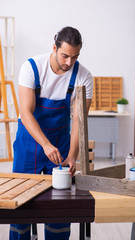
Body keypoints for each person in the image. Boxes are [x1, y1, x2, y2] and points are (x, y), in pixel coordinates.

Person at [10, 26, 93, 240]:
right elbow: (26, 113)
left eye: (74, 57)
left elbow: (79, 121)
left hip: (61, 143)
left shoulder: (84, 77)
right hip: (29, 143)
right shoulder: (32, 68)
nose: (68, 62)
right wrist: (45, 145)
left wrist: (72, 155)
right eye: (65, 55)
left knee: (60, 207)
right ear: (54, 47)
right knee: (20, 204)